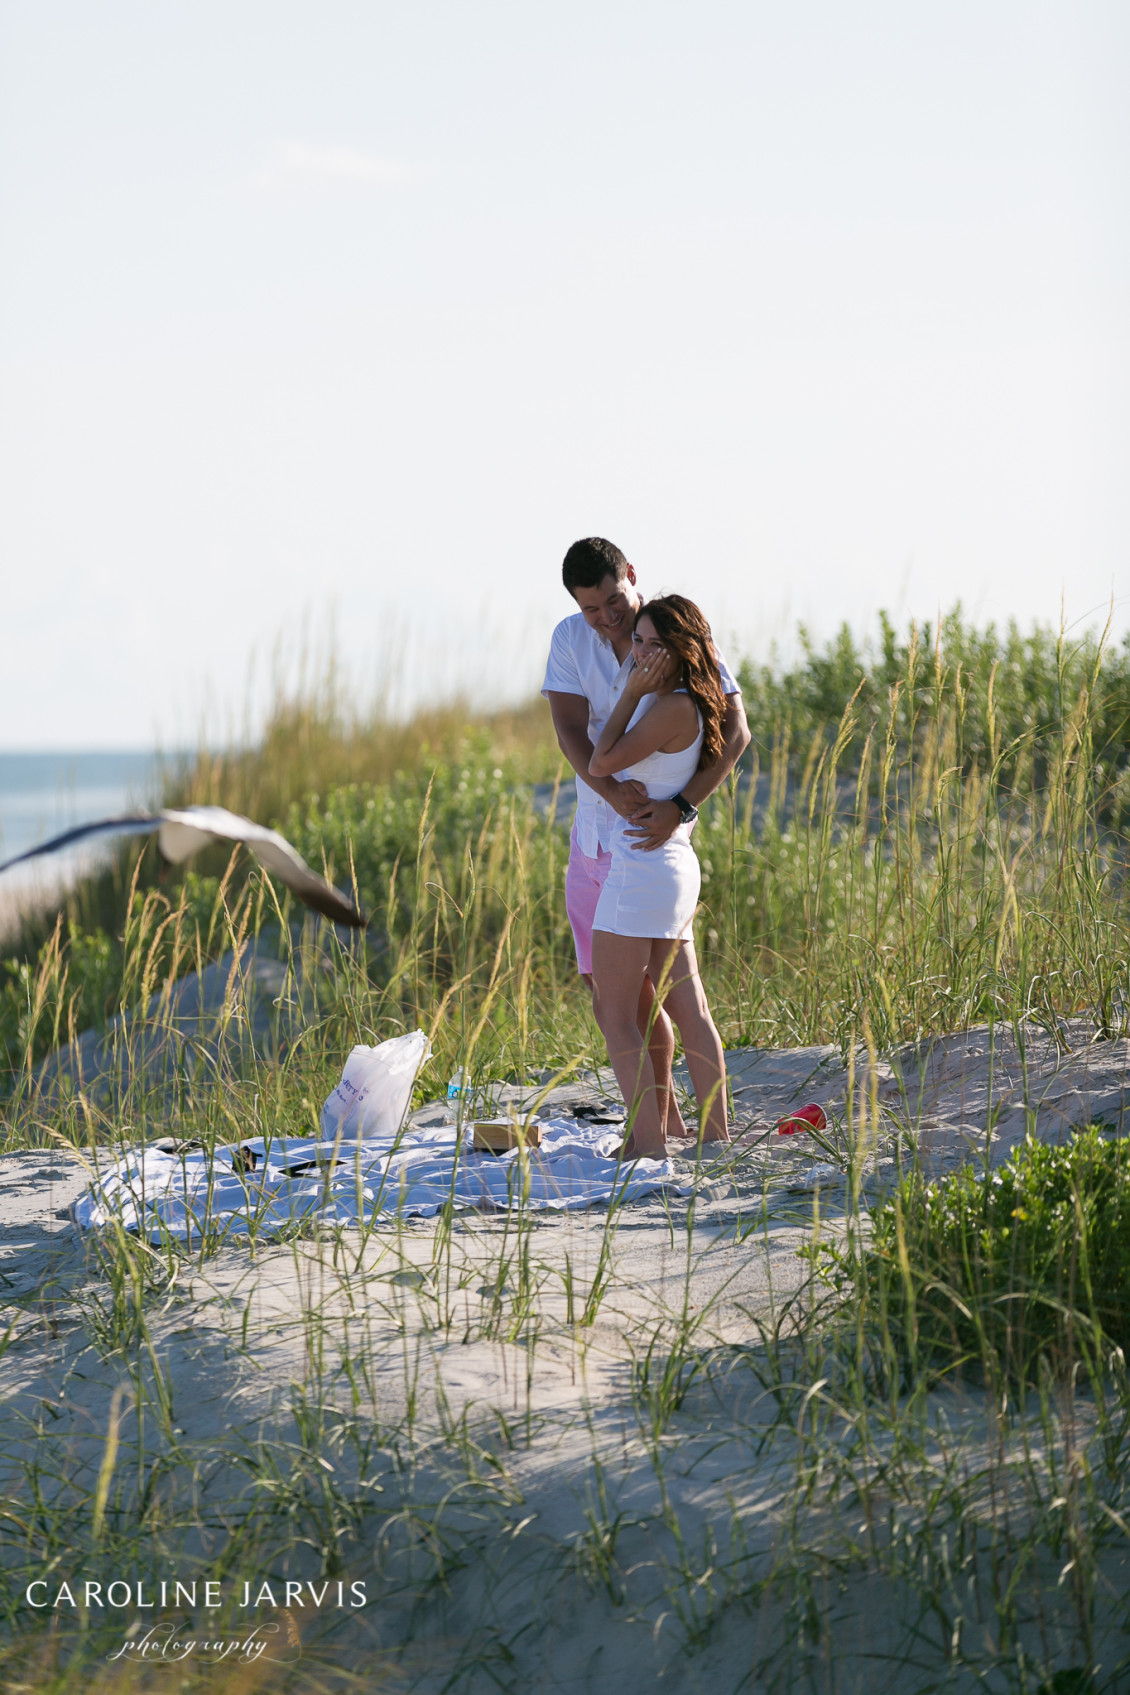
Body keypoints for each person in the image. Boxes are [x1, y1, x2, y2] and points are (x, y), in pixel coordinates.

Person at [542, 538, 750, 1142]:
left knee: (631, 1006)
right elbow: (568, 731)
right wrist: (609, 795)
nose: (608, 619)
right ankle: (690, 1128)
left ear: (631, 576)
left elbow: (735, 730)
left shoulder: (670, 633)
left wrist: (683, 805)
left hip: (651, 846)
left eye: (613, 602)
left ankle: (649, 1140)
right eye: (592, 610)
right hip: (596, 842)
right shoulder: (571, 640)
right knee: (630, 996)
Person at [586, 595, 732, 1158]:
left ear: (680, 651)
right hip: (669, 863)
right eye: (638, 643)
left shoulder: (670, 707)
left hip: (644, 868)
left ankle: (646, 1142)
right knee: (687, 1008)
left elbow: (601, 761)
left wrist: (628, 694)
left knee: (615, 1010)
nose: (639, 654)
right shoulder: (694, 702)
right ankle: (714, 1135)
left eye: (652, 645)